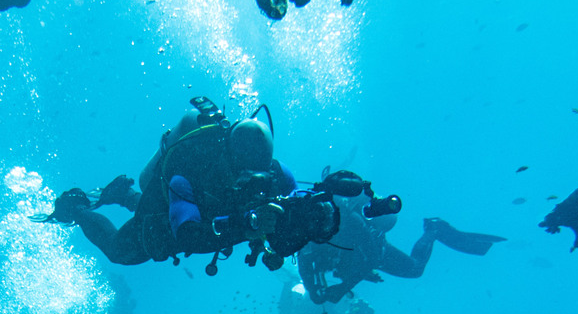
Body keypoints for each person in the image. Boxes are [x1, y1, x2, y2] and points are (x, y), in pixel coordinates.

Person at [38, 97, 357, 276]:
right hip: (173, 213)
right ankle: (78, 208)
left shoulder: (274, 174)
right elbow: (187, 233)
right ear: (228, 160)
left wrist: (320, 205)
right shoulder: (188, 171)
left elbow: (297, 201)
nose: (254, 183)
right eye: (244, 174)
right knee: (119, 251)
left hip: (205, 212)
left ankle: (123, 194)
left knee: (184, 208)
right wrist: (248, 224)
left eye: (259, 175)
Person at [297, 170, 505, 304]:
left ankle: (434, 229)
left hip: (370, 249)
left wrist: (345, 287)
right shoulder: (308, 222)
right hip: (350, 257)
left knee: (415, 269)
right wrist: (312, 290)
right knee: (345, 267)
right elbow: (303, 258)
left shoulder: (352, 222)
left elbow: (372, 257)